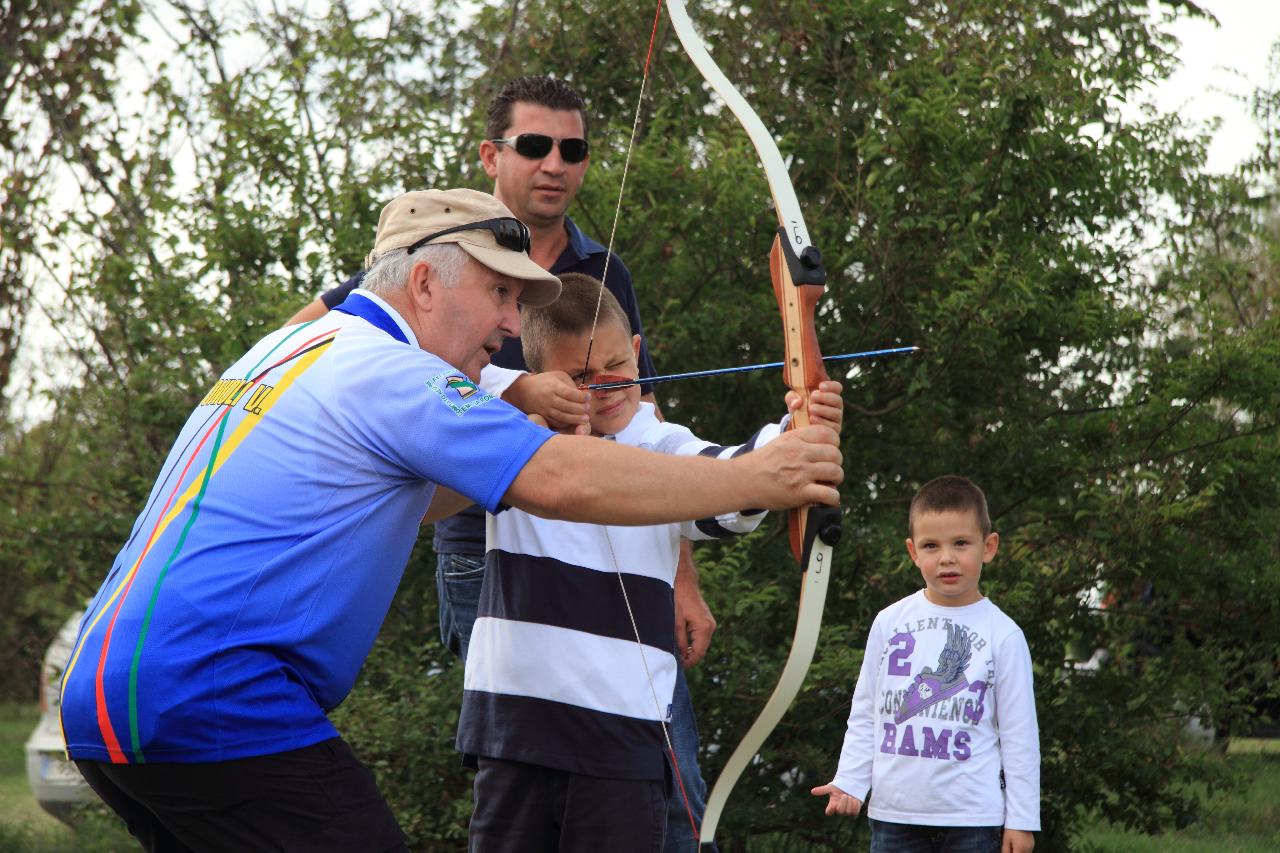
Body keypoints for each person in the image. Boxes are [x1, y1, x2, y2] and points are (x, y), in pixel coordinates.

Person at [59, 188, 844, 853]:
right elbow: (559, 481)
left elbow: (427, 497)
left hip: (105, 700)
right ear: (426, 283)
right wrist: (754, 475)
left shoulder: (289, 346)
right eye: (499, 294)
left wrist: (766, 449)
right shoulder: (392, 372)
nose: (509, 325)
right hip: (214, 696)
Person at [287, 76, 719, 849]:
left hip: (617, 554)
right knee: (518, 759)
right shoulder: (439, 254)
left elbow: (642, 427)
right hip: (482, 544)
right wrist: (517, 389)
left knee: (652, 769)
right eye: (535, 145)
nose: (555, 163)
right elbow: (310, 343)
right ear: (493, 155)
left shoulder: (604, 269)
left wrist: (682, 577)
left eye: (574, 149)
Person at [459, 273, 845, 852]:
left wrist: (799, 430)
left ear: (637, 351)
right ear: (544, 381)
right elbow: (436, 370)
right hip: (514, 732)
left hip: (620, 740)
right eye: (579, 378)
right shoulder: (513, 440)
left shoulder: (660, 446)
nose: (607, 386)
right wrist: (523, 396)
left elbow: (734, 478)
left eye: (617, 364)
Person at [810, 475, 1039, 853]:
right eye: (931, 545)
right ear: (913, 552)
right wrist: (850, 779)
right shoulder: (889, 622)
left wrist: (1022, 820)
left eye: (961, 543)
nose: (946, 557)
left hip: (972, 820)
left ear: (989, 546)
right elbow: (867, 710)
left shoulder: (1005, 635)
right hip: (895, 816)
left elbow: (1020, 737)